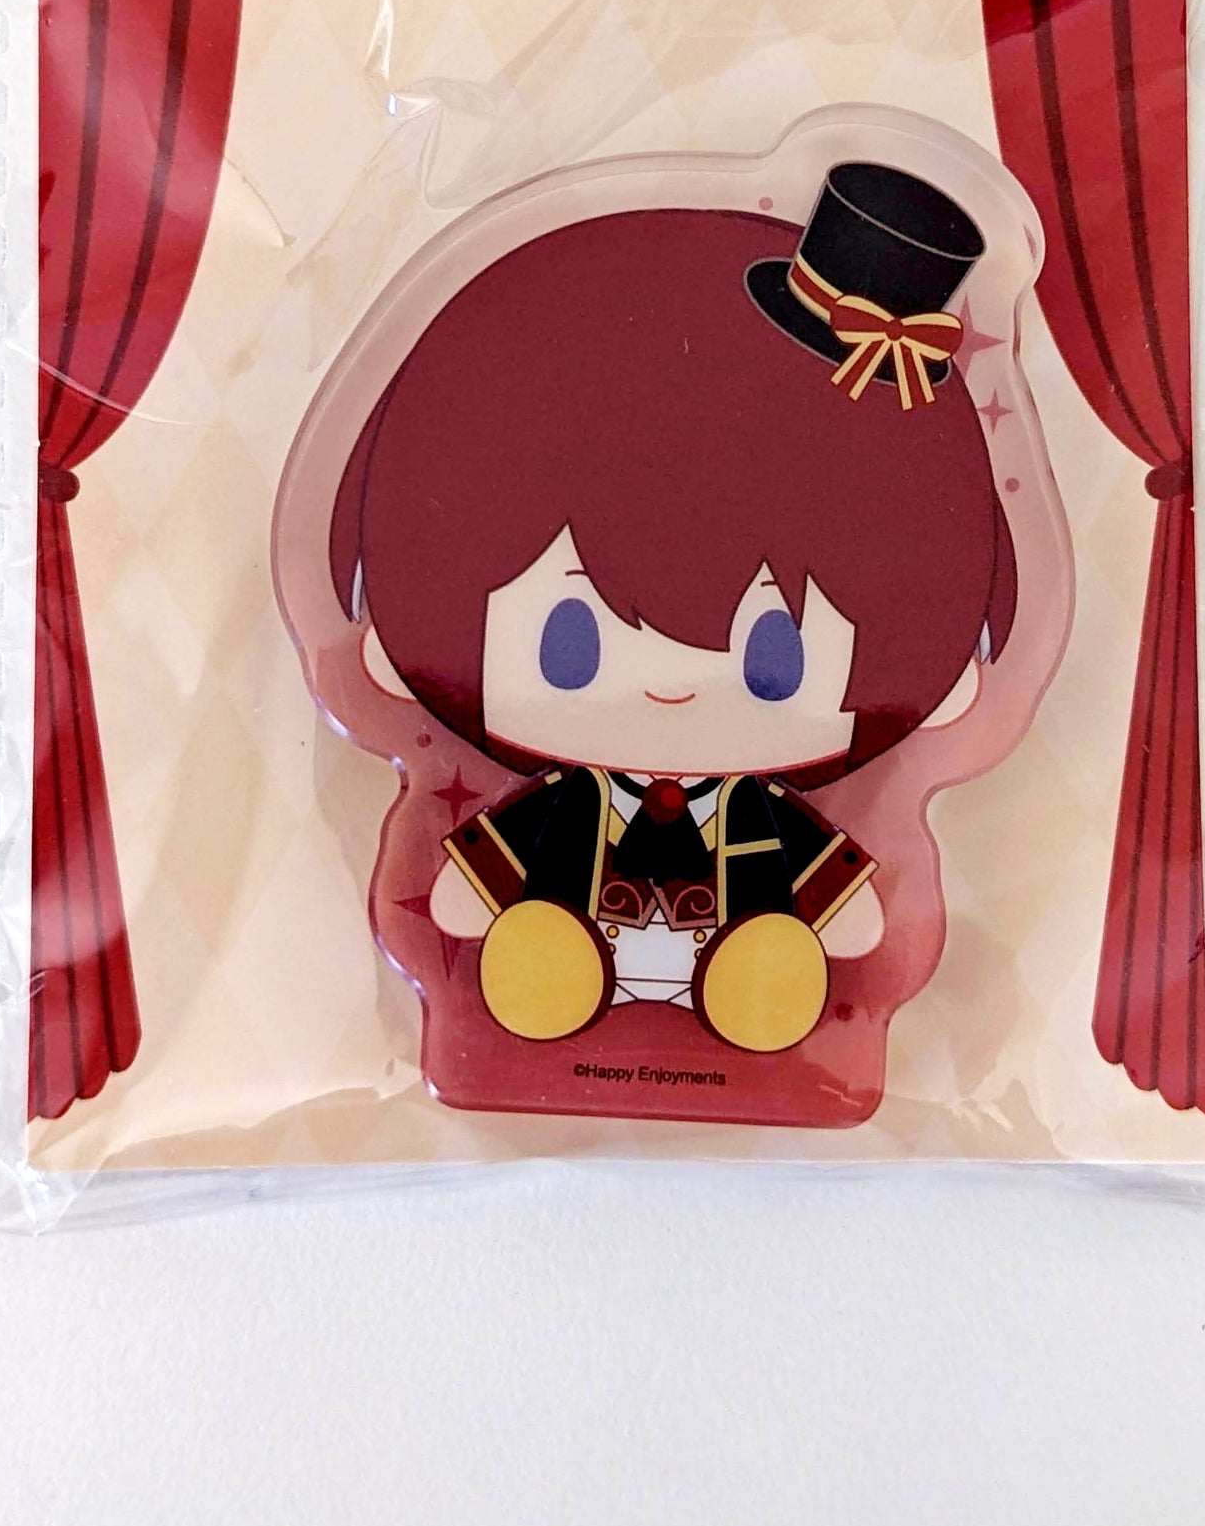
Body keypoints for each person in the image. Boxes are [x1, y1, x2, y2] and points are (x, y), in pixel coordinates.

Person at [328, 162, 1016, 1054]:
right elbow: (485, 876)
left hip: (736, 958)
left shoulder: (754, 814)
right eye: (570, 642)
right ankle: (558, 971)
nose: (673, 688)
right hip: (573, 940)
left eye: (774, 659)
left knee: (761, 955)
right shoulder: (572, 802)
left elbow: (837, 903)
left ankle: (750, 980)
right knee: (550, 945)